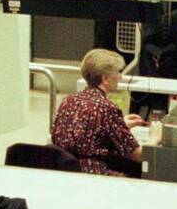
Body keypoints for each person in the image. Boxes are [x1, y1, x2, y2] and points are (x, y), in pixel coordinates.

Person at [51, 48, 157, 176]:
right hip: (95, 176)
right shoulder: (107, 108)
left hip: (64, 171)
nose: (120, 77)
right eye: (118, 72)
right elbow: (138, 155)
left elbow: (81, 134)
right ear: (105, 78)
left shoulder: (68, 100)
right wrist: (155, 137)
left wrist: (120, 125)